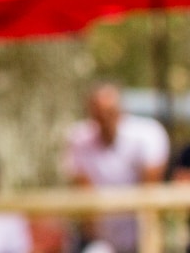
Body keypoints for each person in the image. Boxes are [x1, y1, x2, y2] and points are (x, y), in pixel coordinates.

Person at [62, 83, 169, 253]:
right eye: (99, 114)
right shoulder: (78, 138)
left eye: (109, 112)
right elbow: (84, 193)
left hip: (139, 233)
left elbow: (150, 191)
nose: (104, 119)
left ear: (121, 110)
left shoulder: (147, 134)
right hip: (102, 237)